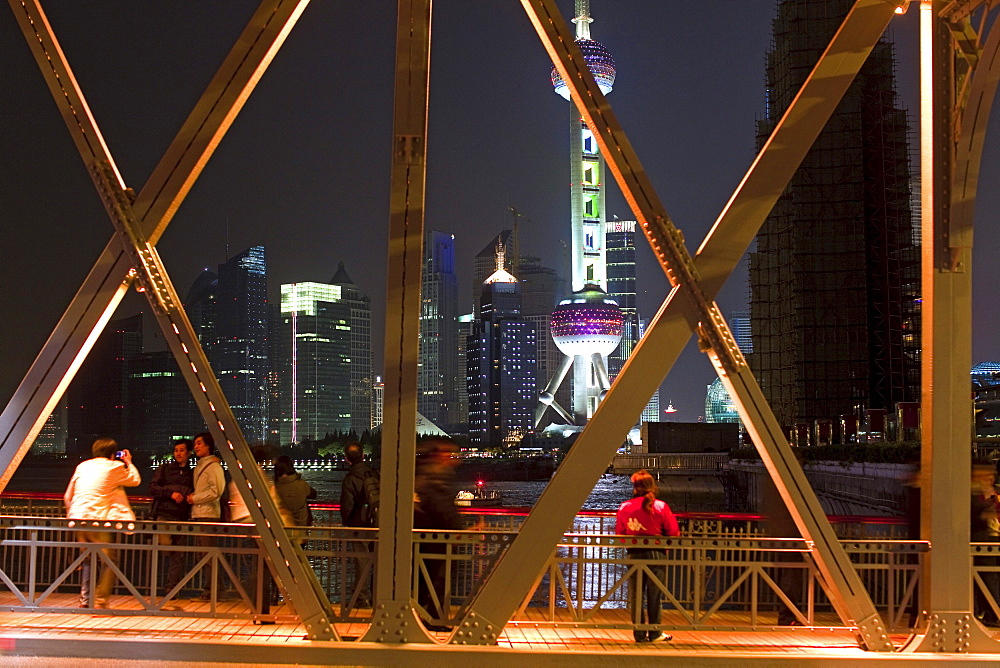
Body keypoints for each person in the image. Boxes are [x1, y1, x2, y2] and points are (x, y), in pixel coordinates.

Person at [64, 437, 142, 609]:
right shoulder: (113, 466)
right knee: (110, 560)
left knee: (88, 560)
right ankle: (99, 600)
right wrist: (128, 462)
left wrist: (72, 516)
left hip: (77, 519)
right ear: (113, 454)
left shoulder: (82, 466)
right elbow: (135, 480)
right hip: (97, 520)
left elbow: (67, 497)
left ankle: (85, 600)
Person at [615, 469, 679, 643]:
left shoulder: (625, 507)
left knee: (636, 597)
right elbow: (673, 532)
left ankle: (639, 634)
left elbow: (620, 533)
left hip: (633, 554)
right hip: (656, 555)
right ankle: (655, 632)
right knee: (654, 595)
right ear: (652, 486)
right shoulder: (661, 506)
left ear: (635, 487)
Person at [413, 437, 463, 631]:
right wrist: (458, 530)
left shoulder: (424, 475)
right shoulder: (436, 477)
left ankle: (430, 617)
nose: (455, 459)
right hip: (438, 540)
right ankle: (433, 620)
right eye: (450, 455)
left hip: (428, 539)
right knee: (437, 580)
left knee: (429, 581)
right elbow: (443, 508)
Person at [149, 439, 194, 596]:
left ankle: (171, 589)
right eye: (176, 450)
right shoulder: (165, 469)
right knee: (164, 549)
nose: (178, 453)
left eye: (182, 450)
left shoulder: (191, 473)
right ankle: (152, 586)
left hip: (181, 517)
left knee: (178, 555)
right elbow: (153, 487)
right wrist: (171, 494)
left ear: (188, 453)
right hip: (164, 514)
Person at [186, 432, 225, 599]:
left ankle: (214, 590)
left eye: (200, 443)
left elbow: (216, 491)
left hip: (208, 515)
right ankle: (212, 589)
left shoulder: (214, 467)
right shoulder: (200, 466)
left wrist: (194, 498)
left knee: (208, 554)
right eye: (195, 443)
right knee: (203, 554)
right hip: (199, 514)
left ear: (208, 446)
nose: (196, 446)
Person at [340, 442, 379, 609]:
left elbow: (347, 506)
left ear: (347, 459)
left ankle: (360, 599)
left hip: (359, 524)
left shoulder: (350, 479)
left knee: (361, 562)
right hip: (377, 522)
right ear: (363, 456)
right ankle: (379, 597)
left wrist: (347, 522)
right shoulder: (375, 473)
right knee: (379, 560)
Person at [971, 458, 1000, 626]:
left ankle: (990, 613)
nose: (990, 479)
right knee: (988, 577)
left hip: (989, 538)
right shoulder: (976, 493)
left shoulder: (989, 492)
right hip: (981, 540)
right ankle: (993, 612)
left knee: (989, 576)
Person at [274, 455, 317, 527]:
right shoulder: (301, 484)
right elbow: (313, 494)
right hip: (301, 527)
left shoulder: (275, 488)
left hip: (282, 527)